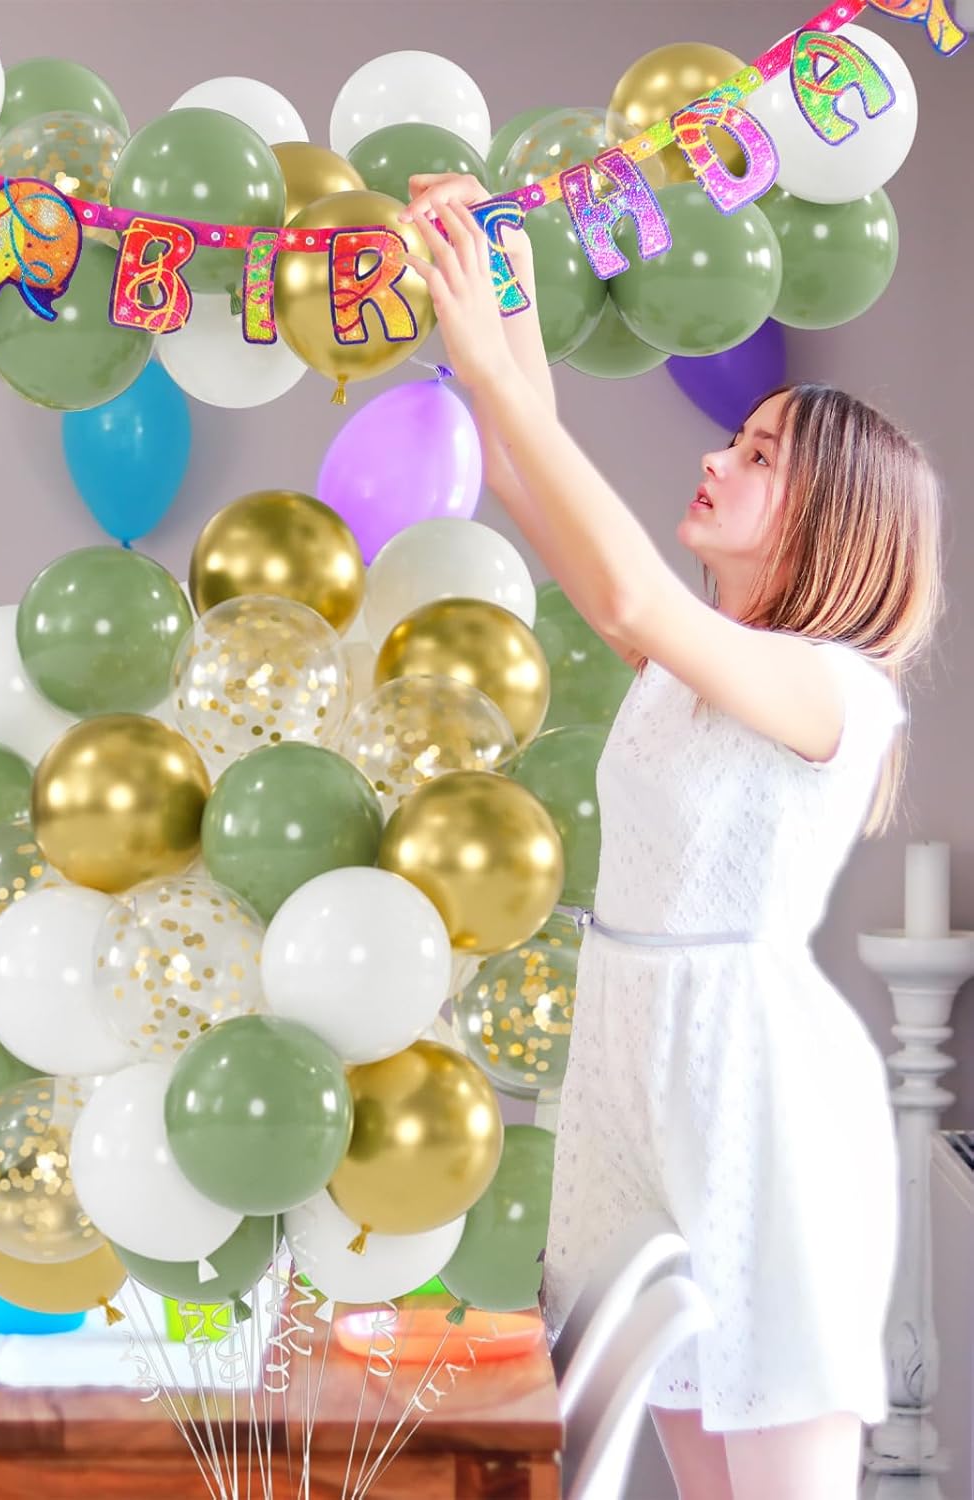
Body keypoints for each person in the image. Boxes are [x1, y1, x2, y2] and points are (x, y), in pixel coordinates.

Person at [399, 173, 944, 1500]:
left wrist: (495, 349)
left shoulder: (837, 691)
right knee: (663, 1462)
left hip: (753, 1084)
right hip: (627, 1057)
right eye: (737, 442)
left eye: (759, 458)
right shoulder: (685, 668)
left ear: (831, 520)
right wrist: (490, 262)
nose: (715, 459)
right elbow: (528, 478)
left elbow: (636, 598)